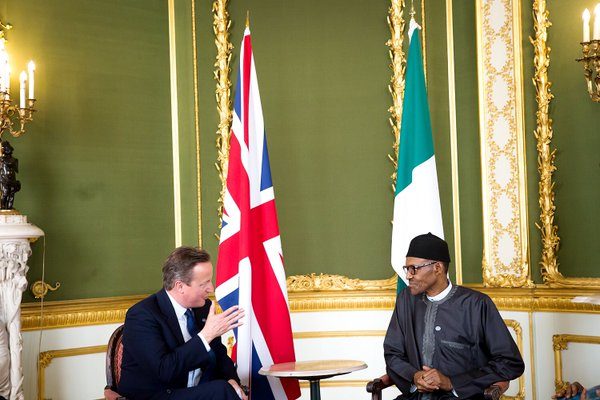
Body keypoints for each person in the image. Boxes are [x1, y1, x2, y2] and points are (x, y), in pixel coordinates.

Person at [384, 233, 525, 399]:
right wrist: (415, 376)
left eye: (413, 269)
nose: (408, 276)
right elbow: (393, 353)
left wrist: (452, 382)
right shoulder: (406, 300)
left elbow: (510, 362)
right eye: (407, 269)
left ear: (437, 268)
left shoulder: (476, 304)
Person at [118, 247, 247, 400]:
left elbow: (219, 354)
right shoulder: (142, 315)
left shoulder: (203, 308)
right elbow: (164, 370)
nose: (211, 289)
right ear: (179, 286)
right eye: (204, 283)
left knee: (229, 388)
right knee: (220, 391)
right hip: (158, 395)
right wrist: (206, 335)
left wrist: (231, 379)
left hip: (195, 391)